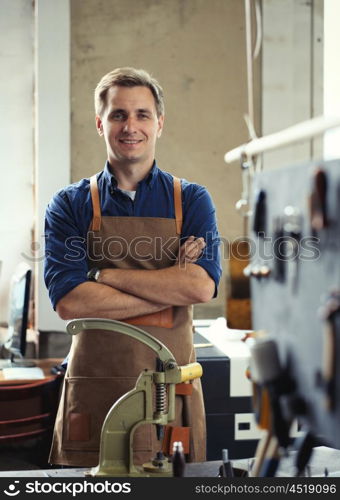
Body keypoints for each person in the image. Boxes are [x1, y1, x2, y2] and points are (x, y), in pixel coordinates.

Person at [44, 67, 222, 467]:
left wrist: (103, 275)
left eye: (142, 114)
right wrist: (166, 290)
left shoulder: (192, 200)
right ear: (99, 123)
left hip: (168, 391)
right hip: (95, 389)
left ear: (159, 123)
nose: (131, 126)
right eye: (118, 115)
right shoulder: (69, 205)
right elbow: (71, 304)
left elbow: (198, 289)